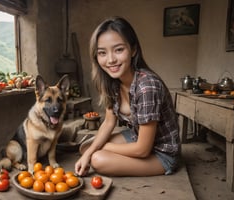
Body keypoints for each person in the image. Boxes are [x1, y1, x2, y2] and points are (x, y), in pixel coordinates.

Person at [75, 16, 180, 177]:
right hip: (136, 136)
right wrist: (90, 150)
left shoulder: (147, 87)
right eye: (102, 53)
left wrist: (103, 147)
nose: (110, 60)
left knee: (97, 158)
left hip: (161, 154)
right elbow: (109, 122)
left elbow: (142, 150)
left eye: (118, 50)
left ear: (133, 50)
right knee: (85, 148)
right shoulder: (113, 82)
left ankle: (108, 154)